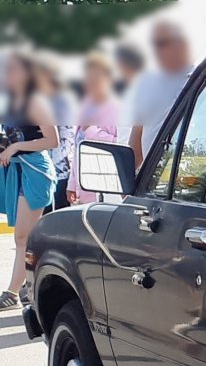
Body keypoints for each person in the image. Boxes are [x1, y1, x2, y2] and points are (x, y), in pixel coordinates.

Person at [0, 51, 59, 310]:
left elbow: (52, 140)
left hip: (35, 171)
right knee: (23, 236)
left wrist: (15, 148)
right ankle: (25, 286)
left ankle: (13, 291)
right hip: (19, 170)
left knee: (24, 236)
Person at [128, 20, 194, 166]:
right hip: (154, 180)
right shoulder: (147, 85)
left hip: (190, 179)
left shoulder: (203, 80)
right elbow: (135, 149)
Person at [68, 53, 124, 206]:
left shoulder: (114, 108)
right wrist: (72, 184)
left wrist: (91, 131)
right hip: (83, 190)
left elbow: (120, 144)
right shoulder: (84, 107)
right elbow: (77, 149)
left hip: (105, 191)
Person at [34, 55, 77, 211]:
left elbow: (68, 140)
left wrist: (47, 162)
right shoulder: (34, 101)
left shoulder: (63, 102)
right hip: (36, 171)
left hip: (58, 175)